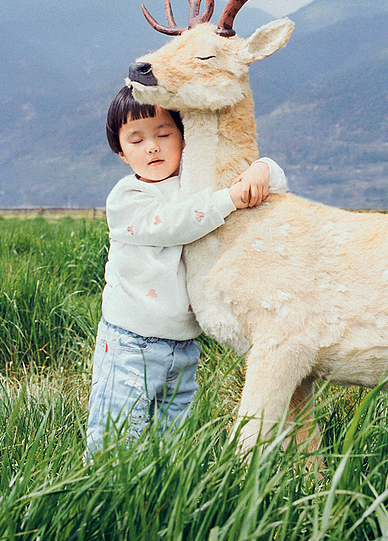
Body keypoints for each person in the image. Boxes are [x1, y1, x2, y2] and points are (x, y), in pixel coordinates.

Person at [85, 85, 286, 454]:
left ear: (184, 137)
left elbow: (271, 180)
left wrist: (261, 169)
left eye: (164, 134)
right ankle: (106, 495)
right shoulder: (127, 199)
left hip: (184, 345)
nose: (152, 147)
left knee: (174, 438)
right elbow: (174, 223)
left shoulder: (198, 184)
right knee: (116, 434)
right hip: (130, 341)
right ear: (120, 151)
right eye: (136, 140)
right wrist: (229, 199)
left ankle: (164, 493)